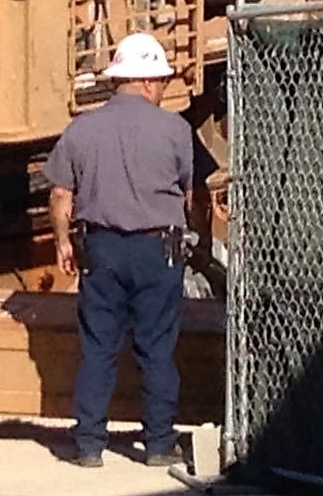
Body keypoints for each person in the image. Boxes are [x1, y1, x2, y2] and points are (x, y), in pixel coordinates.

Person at [44, 32, 192, 469]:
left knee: (97, 347)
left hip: (101, 250)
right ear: (147, 81)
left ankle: (90, 444)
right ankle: (160, 443)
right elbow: (188, 195)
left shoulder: (82, 128)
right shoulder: (175, 129)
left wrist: (62, 241)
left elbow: (59, 196)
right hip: (157, 250)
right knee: (158, 348)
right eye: (161, 80)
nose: (163, 88)